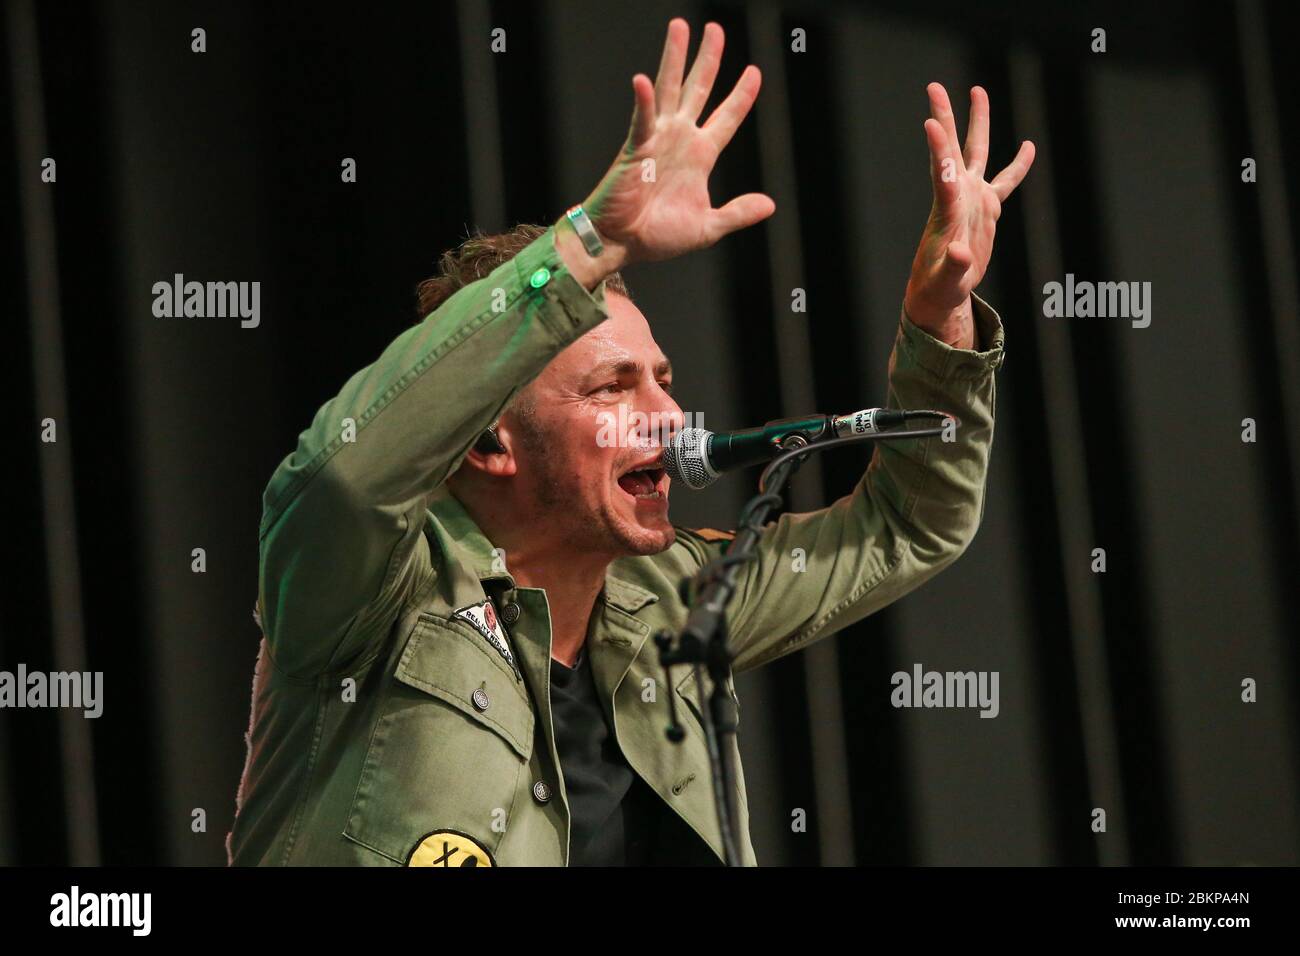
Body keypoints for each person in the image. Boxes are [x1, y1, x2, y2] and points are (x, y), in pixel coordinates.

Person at [226, 18, 1033, 866]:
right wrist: (588, 244)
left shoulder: (679, 598)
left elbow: (909, 526)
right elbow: (349, 475)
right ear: (489, 442)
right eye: (614, 386)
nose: (670, 418)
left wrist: (940, 317)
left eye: (664, 378)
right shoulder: (368, 593)